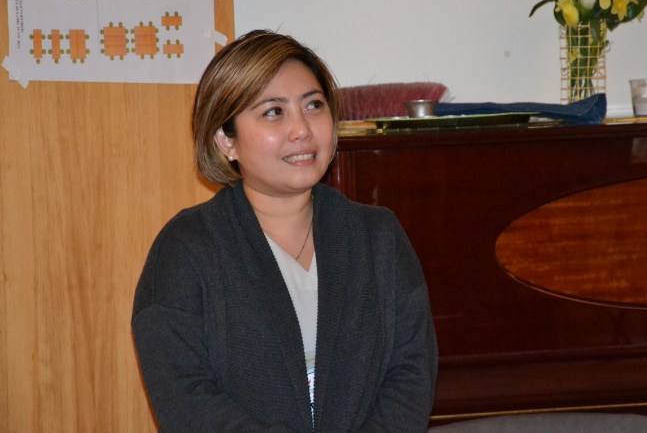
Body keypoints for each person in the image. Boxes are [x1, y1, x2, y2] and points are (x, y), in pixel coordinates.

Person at [131, 29, 438, 432]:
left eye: (313, 105)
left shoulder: (377, 236)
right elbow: (185, 397)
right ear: (226, 140)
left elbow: (411, 372)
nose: (302, 129)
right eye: (274, 112)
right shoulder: (187, 248)